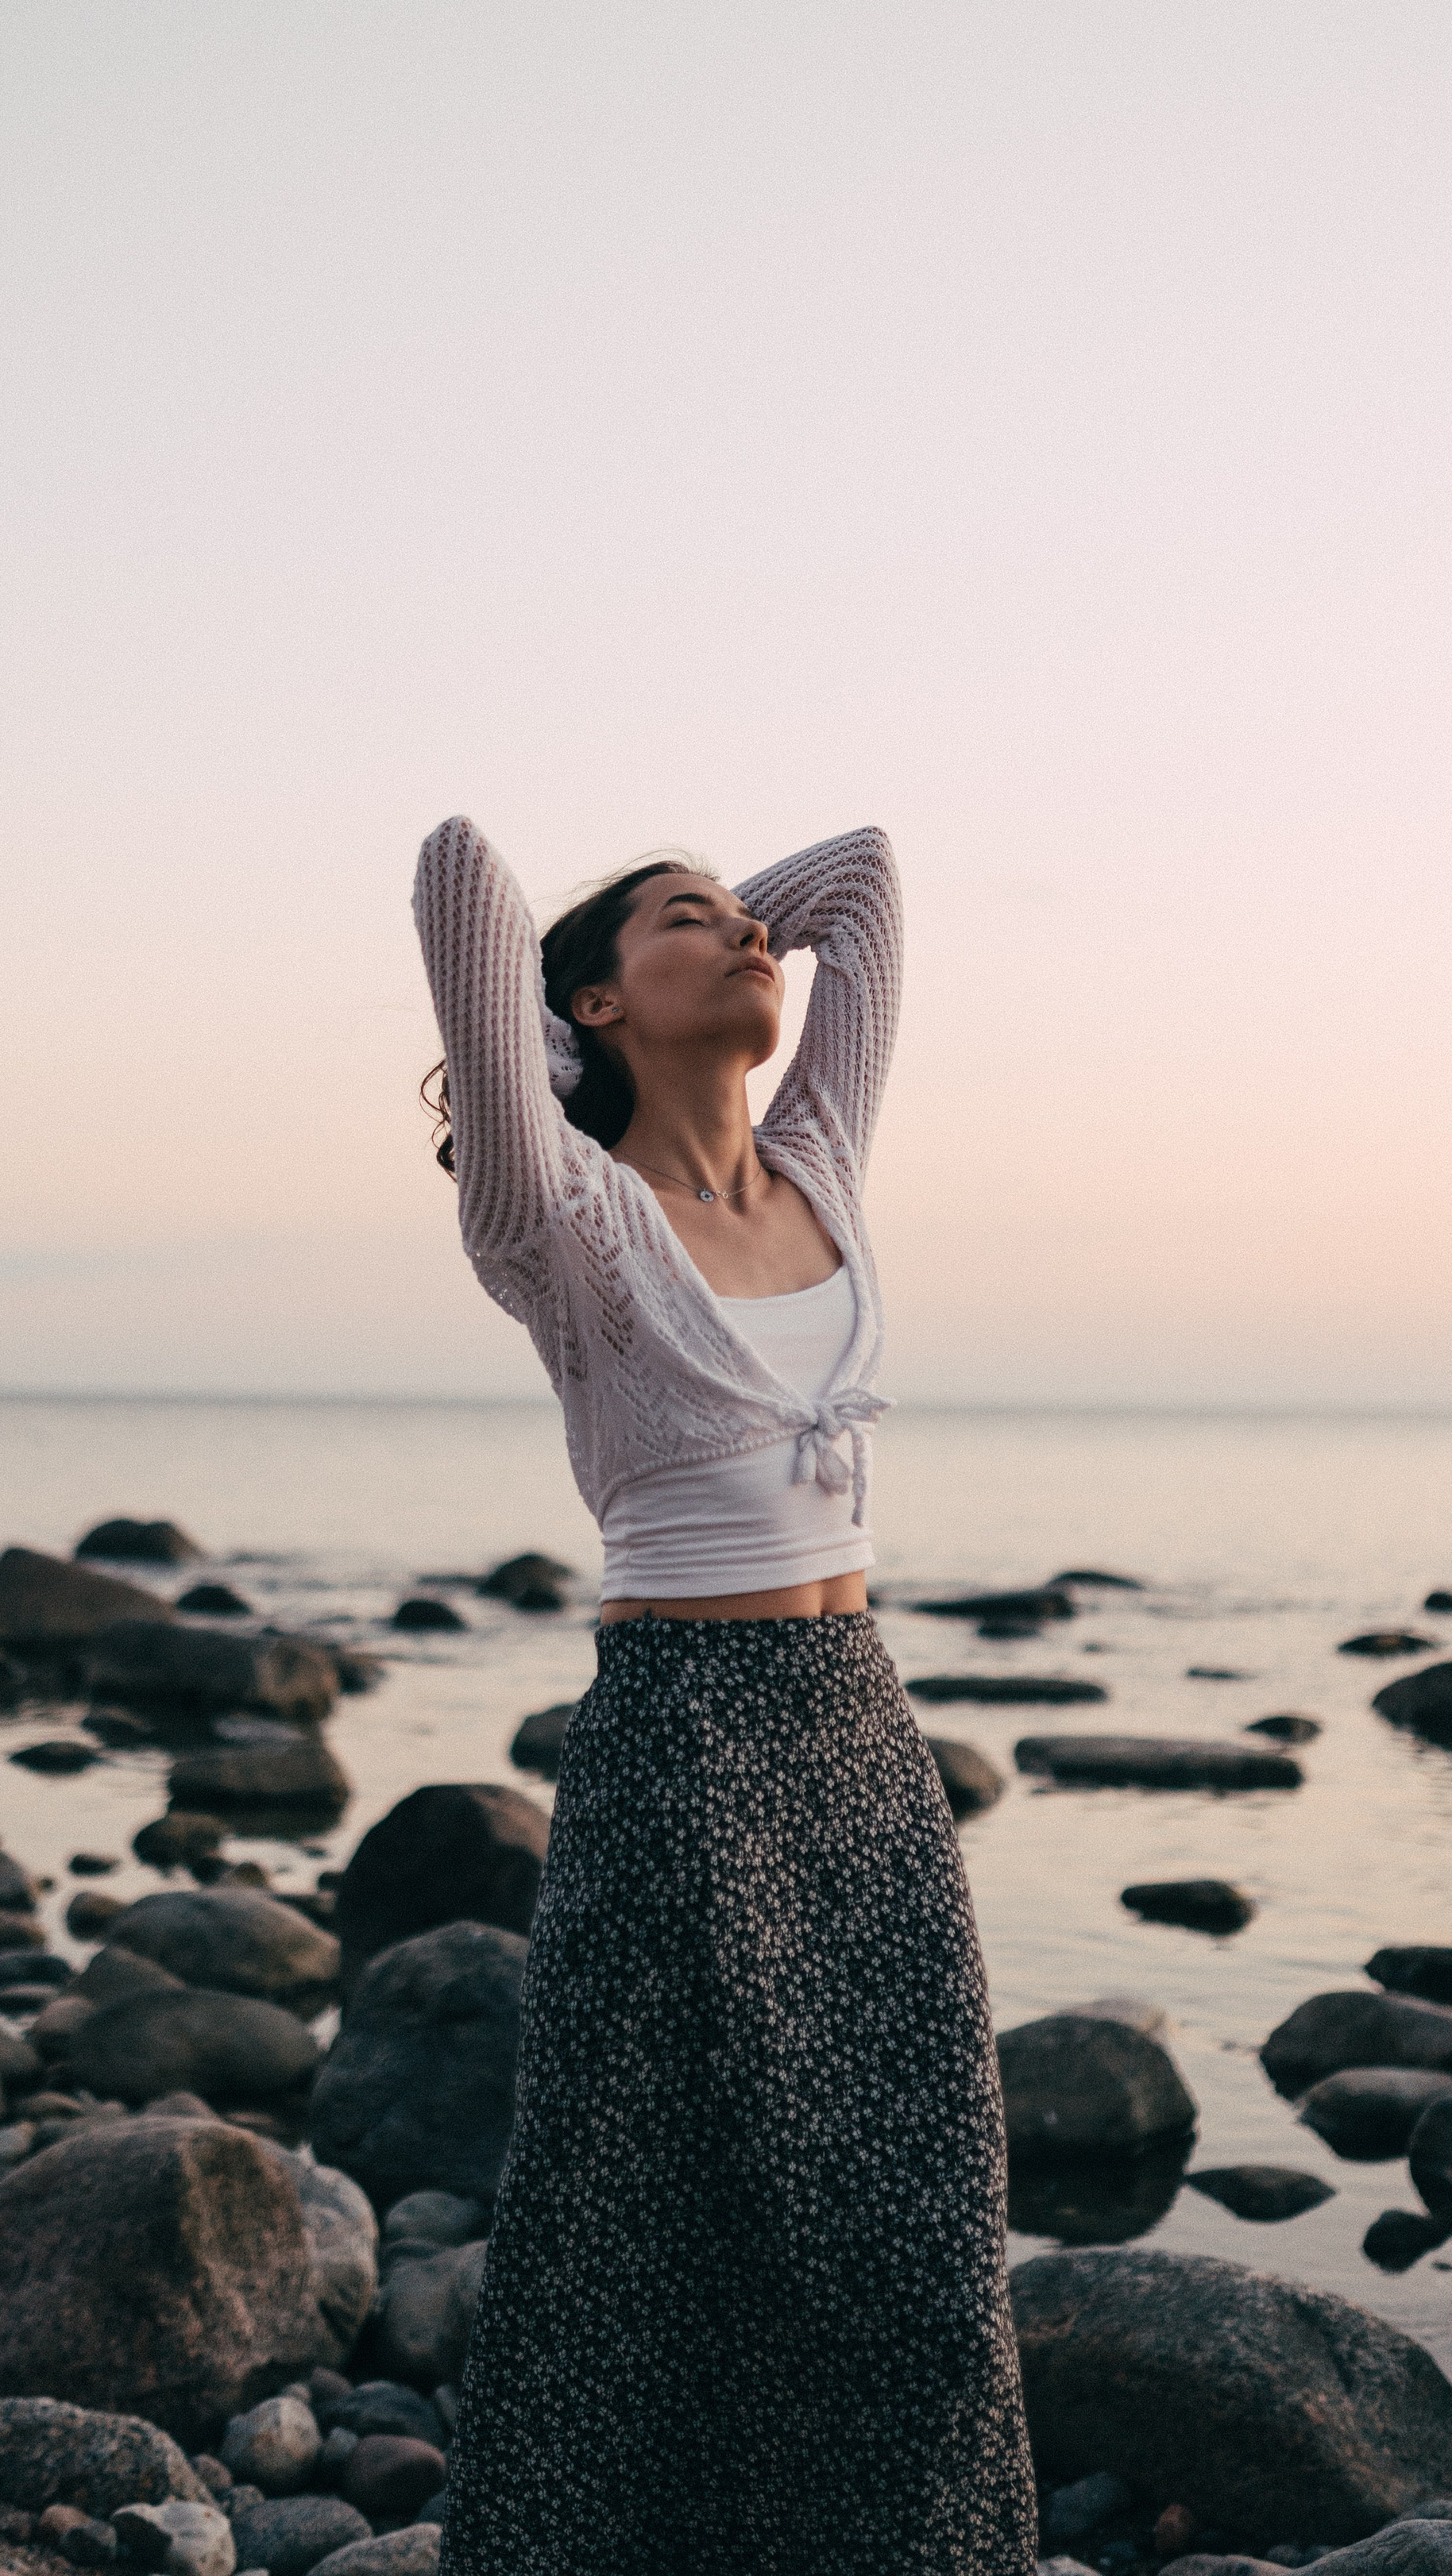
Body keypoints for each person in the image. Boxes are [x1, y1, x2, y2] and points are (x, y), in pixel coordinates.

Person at [411, 815, 1035, 2576]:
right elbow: (459, 871)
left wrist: (724, 923)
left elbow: (868, 878)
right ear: (596, 1000)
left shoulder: (819, 1161)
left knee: (913, 2219)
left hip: (860, 1727)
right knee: (634, 2219)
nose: (758, 936)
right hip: (680, 1736)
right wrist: (525, 1059)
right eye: (691, 921)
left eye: (751, 925)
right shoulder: (552, 1207)